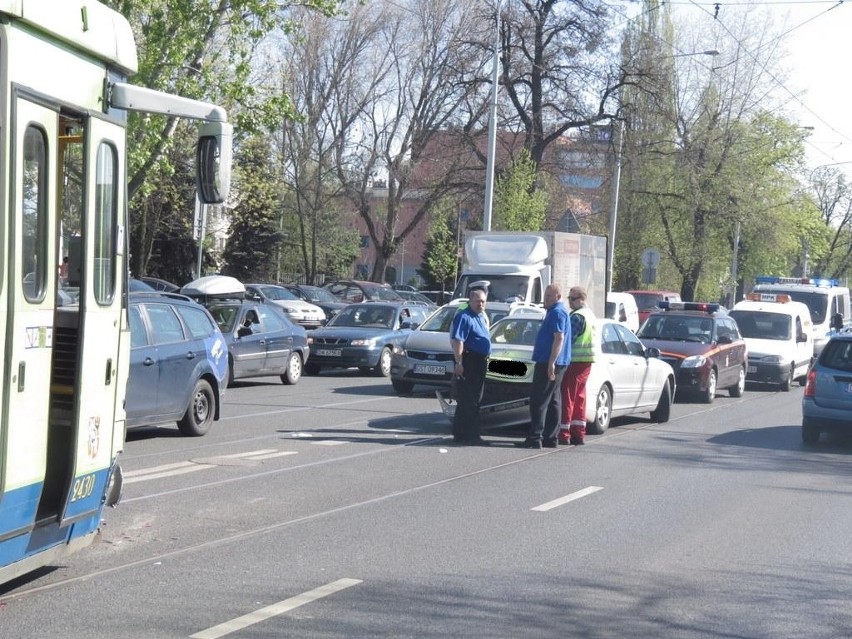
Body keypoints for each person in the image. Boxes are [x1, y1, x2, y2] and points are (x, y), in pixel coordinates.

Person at [516, 284, 571, 449]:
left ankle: (535, 437)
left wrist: (551, 362)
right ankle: (550, 437)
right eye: (545, 296)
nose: (545, 299)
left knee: (539, 400)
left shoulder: (557, 312)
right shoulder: (555, 312)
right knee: (553, 400)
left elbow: (559, 338)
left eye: (549, 296)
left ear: (558, 297)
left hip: (550, 362)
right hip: (555, 361)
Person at [449, 287, 491, 445]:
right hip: (469, 361)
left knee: (475, 399)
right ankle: (466, 435)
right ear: (470, 301)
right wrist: (459, 362)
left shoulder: (480, 316)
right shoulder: (464, 316)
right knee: (468, 399)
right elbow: (458, 341)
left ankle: (466, 433)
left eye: (483, 301)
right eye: (478, 301)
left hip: (480, 360)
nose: (481, 304)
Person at [559, 286, 597, 446]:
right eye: (569, 298)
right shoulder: (590, 315)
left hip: (574, 361)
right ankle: (579, 433)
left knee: (567, 397)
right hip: (586, 362)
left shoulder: (577, 317)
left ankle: (564, 433)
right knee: (580, 397)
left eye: (572, 299)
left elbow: (567, 340)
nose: (570, 302)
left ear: (582, 299)